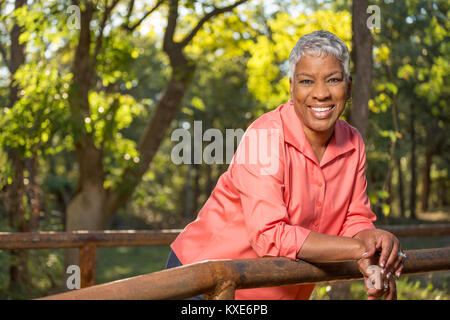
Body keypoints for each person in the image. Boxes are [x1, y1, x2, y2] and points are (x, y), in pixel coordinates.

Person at [167, 30, 405, 300]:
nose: (320, 93)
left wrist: (374, 243)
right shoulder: (263, 137)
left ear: (348, 87)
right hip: (203, 279)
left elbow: (355, 218)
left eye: (333, 80)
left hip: (277, 289)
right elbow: (269, 235)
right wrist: (359, 250)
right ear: (291, 88)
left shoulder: (353, 142)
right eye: (306, 81)